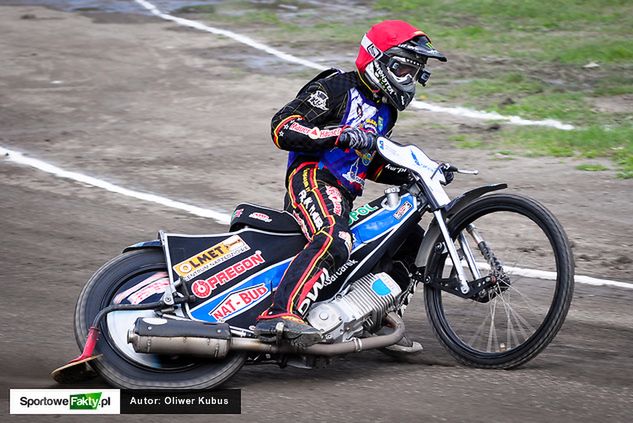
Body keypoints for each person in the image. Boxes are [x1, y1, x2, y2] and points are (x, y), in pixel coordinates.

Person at [254, 20, 447, 349]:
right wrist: (337, 134)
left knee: (410, 237)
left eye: (413, 74)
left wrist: (419, 174)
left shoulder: (386, 110)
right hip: (312, 178)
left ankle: (372, 316)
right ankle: (279, 314)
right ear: (377, 59)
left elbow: (367, 164)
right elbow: (282, 127)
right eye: (401, 69)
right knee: (335, 237)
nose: (407, 81)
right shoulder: (336, 87)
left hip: (343, 193)